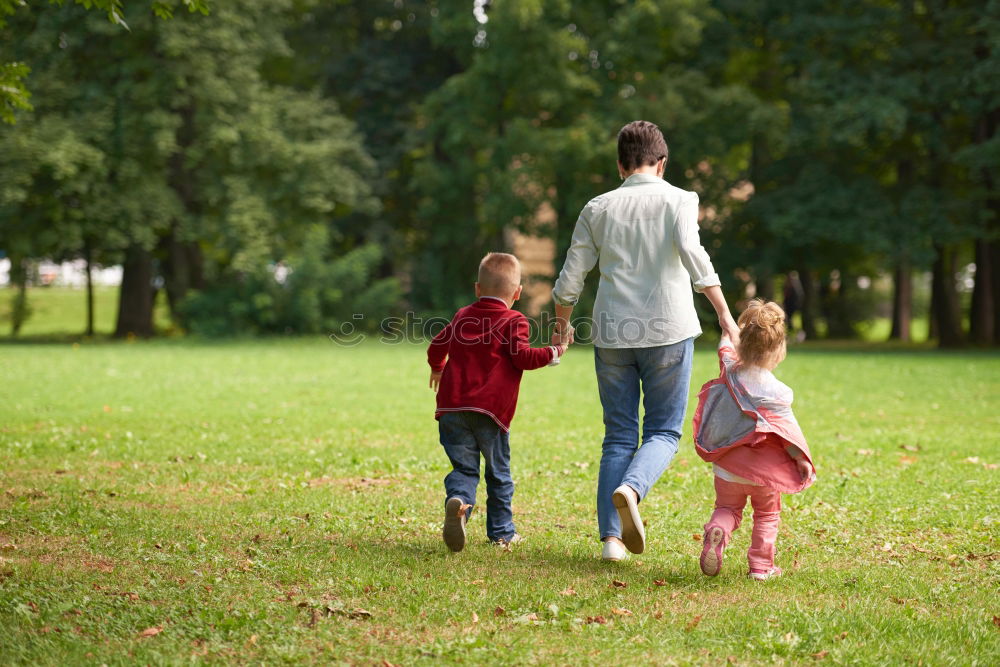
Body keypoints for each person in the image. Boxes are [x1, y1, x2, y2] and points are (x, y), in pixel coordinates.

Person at [550, 120, 740, 562]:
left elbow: (569, 281)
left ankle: (612, 542)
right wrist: (725, 316)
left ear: (620, 165)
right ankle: (632, 490)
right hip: (668, 331)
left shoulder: (597, 208)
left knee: (618, 436)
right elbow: (696, 258)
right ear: (662, 162)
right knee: (663, 431)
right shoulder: (680, 199)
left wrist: (561, 327)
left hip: (613, 333)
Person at [427, 252, 566, 552]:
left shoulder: (462, 315)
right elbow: (523, 357)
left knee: (464, 470)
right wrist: (555, 351)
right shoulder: (514, 320)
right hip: (491, 412)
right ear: (517, 293)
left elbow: (437, 344)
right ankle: (502, 533)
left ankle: (460, 503)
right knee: (498, 474)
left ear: (478, 288)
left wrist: (438, 367)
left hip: (452, 408)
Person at [692, 299, 816, 580]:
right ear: (777, 351)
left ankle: (719, 530)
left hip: (728, 466)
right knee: (766, 515)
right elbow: (787, 432)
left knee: (727, 508)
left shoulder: (730, 368)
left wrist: (728, 327)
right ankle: (761, 567)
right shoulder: (779, 393)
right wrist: (801, 458)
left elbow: (725, 344)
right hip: (763, 472)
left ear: (741, 345)